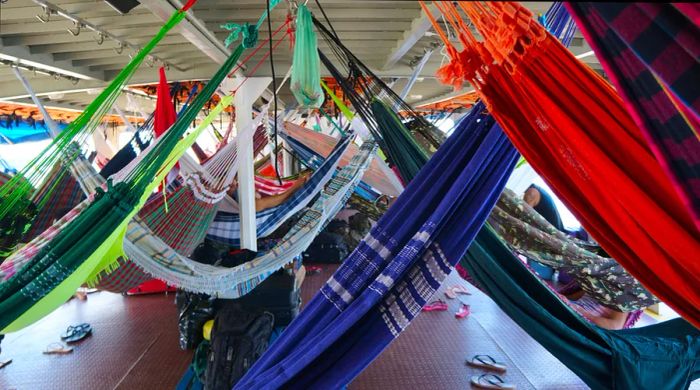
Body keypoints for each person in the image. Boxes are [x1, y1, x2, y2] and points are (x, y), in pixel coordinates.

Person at [227, 172, 310, 212]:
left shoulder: (239, 186)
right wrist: (296, 185)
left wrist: (295, 182)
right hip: (292, 197)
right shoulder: (241, 203)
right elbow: (261, 204)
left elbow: (270, 181)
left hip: (289, 190)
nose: (232, 183)